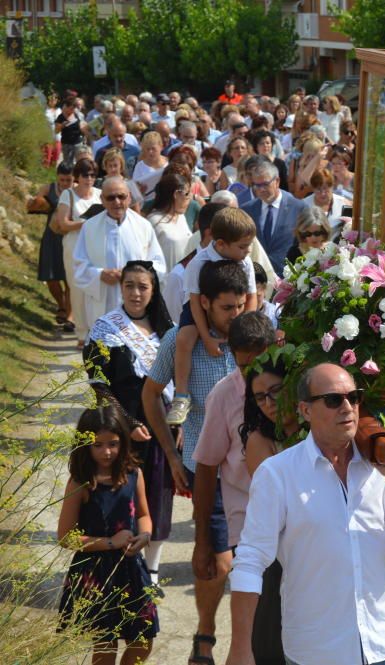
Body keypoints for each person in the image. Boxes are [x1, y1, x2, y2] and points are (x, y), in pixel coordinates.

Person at [226, 362, 385, 665]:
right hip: (316, 651)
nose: (347, 407)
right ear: (305, 410)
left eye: (354, 397)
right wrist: (241, 648)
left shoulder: (381, 466)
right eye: (334, 400)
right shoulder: (277, 474)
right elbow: (250, 560)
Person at [142, 260, 248, 665]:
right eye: (226, 308)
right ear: (204, 302)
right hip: (205, 470)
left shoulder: (255, 340)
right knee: (215, 557)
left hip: (254, 469)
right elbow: (151, 395)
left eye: (240, 306)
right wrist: (169, 452)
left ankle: (249, 641)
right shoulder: (178, 340)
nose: (234, 316)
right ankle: (205, 632)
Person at [84, 261, 176, 585]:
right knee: (122, 496)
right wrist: (127, 422)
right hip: (120, 427)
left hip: (161, 426)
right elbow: (99, 383)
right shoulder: (106, 328)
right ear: (120, 288)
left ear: (153, 290)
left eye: (143, 286)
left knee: (160, 496)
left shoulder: (168, 330)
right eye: (129, 286)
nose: (136, 293)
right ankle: (118, 565)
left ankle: (150, 569)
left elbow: (183, 382)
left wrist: (176, 425)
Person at [192, 312, 277, 660]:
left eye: (263, 362)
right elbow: (206, 467)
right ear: (232, 357)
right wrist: (202, 542)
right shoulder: (224, 396)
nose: (255, 374)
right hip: (247, 530)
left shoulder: (295, 390)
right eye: (245, 366)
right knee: (255, 629)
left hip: (292, 527)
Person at [56, 405, 159, 665]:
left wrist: (144, 536)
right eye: (98, 445)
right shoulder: (80, 482)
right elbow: (65, 537)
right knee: (105, 644)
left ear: (123, 442)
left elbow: (144, 515)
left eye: (113, 443)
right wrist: (110, 542)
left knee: (144, 640)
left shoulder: (134, 474)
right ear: (85, 445)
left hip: (131, 569)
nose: (107, 451)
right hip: (96, 574)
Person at [168, 208, 258, 426]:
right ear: (220, 245)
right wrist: (206, 337)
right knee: (183, 338)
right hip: (200, 307)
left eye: (249, 245)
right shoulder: (199, 262)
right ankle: (181, 396)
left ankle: (254, 387)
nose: (247, 251)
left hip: (234, 306)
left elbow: (251, 298)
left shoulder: (245, 262)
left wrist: (243, 328)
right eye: (242, 246)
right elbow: (196, 302)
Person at [239, 359, 297, 665]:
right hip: (278, 555)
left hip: (322, 552)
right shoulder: (260, 440)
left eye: (276, 391)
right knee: (272, 645)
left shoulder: (322, 431)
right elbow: (280, 503)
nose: (269, 404)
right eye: (260, 397)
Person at [73, 177, 167, 346]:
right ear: (101, 199)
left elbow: (159, 265)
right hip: (104, 302)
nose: (117, 202)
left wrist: (137, 276)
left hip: (136, 305)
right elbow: (78, 266)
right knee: (104, 360)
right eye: (110, 198)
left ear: (129, 197)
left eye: (121, 197)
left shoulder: (143, 226)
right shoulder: (89, 227)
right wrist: (100, 274)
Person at [50, 158, 103, 344]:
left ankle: (95, 331)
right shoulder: (68, 195)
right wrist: (84, 224)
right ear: (77, 177)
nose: (89, 179)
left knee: (95, 289)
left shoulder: (99, 194)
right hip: (74, 245)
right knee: (77, 289)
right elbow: (63, 223)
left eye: (93, 175)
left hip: (96, 245)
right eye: (85, 175)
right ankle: (82, 333)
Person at [29, 162, 74, 330]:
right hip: (51, 237)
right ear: (57, 177)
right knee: (50, 276)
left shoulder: (77, 191)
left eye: (68, 180)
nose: (65, 183)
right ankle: (61, 304)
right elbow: (36, 201)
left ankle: (70, 315)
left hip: (70, 237)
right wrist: (35, 202)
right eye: (62, 180)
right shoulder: (48, 188)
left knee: (70, 278)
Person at [241, 160, 308, 271]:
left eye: (265, 184)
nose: (261, 189)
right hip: (257, 276)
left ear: (277, 181)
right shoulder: (247, 210)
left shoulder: (299, 208)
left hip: (287, 276)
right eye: (257, 185)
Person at [146, 173, 195, 269]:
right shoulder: (153, 221)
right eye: (187, 194)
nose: (189, 199)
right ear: (176, 194)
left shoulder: (181, 217)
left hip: (183, 278)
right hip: (164, 280)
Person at [303, 168, 350, 233]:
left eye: (326, 189)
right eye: (319, 189)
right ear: (313, 189)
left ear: (332, 187)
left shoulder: (344, 203)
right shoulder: (303, 205)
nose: (323, 193)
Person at [132, 132, 168, 202]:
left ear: (161, 147)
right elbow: (134, 193)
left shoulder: (168, 163)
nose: (150, 152)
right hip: (147, 204)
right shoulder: (139, 166)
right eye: (147, 149)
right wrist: (140, 191)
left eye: (153, 149)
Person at [54, 97, 89, 167]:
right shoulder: (61, 117)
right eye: (71, 108)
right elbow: (56, 131)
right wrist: (62, 125)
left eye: (73, 108)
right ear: (66, 107)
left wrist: (85, 132)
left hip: (78, 142)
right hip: (67, 144)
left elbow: (82, 126)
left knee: (80, 162)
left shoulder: (77, 115)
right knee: (68, 163)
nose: (72, 110)